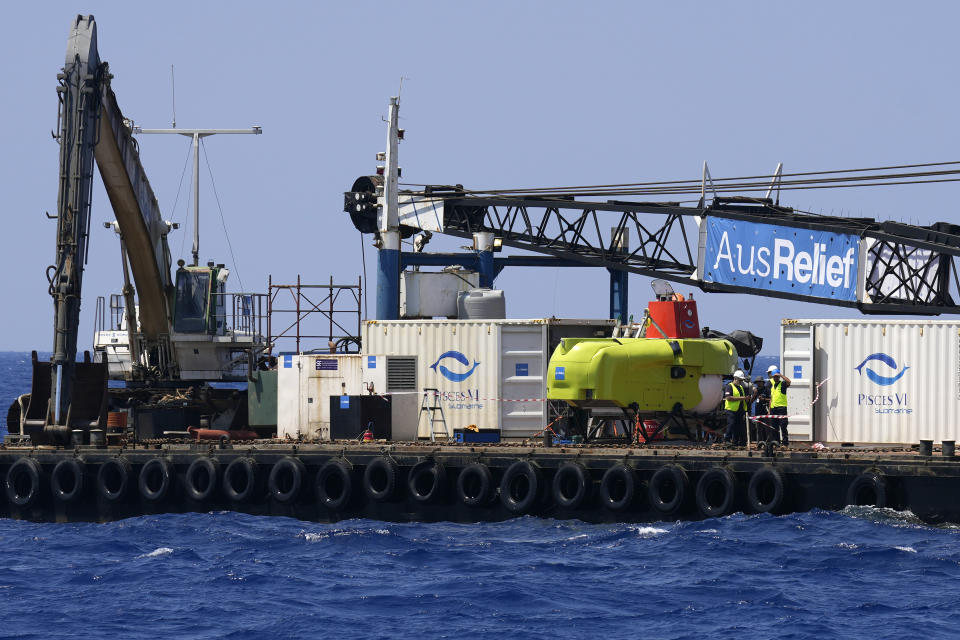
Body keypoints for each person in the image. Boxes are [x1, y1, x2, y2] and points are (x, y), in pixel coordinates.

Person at [723, 370, 748, 447]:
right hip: (731, 410)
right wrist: (742, 398)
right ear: (735, 378)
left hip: (739, 410)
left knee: (738, 426)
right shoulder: (729, 386)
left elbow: (742, 400)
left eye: (742, 380)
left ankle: (735, 441)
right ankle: (727, 440)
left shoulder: (740, 387)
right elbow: (728, 398)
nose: (741, 382)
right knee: (731, 424)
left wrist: (744, 410)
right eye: (740, 380)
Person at [768, 365, 791, 446]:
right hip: (773, 409)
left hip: (781, 408)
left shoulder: (783, 384)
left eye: (777, 377)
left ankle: (785, 442)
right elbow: (771, 398)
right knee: (774, 427)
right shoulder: (773, 386)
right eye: (774, 377)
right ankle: (776, 442)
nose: (776, 378)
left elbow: (789, 382)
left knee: (783, 426)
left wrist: (781, 375)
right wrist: (769, 409)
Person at [752, 376, 769, 441]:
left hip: (765, 411)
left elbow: (770, 399)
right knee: (759, 428)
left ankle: (766, 441)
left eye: (759, 382)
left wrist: (764, 399)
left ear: (762, 382)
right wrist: (754, 394)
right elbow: (751, 401)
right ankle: (759, 442)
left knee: (766, 428)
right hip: (758, 412)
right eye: (757, 382)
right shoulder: (756, 390)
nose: (758, 384)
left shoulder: (766, 390)